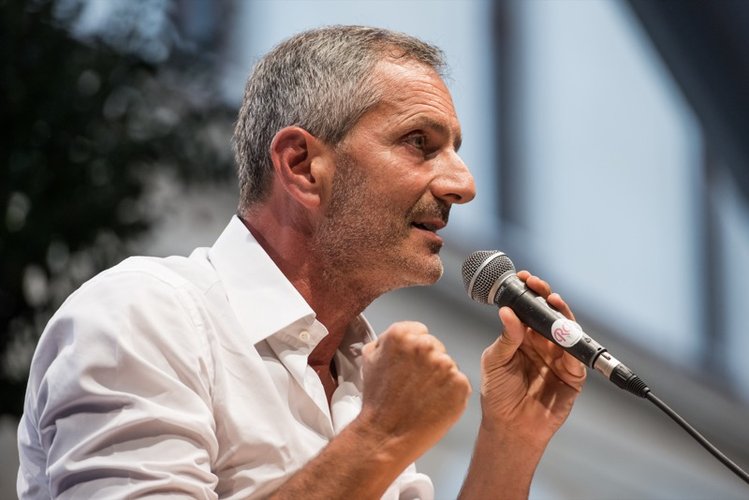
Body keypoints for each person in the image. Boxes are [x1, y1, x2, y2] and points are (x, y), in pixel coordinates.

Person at [17, 25, 586, 499]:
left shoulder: (365, 374)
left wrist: (512, 438)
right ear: (302, 166)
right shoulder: (144, 313)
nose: (463, 184)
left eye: (456, 150)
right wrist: (380, 438)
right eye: (420, 142)